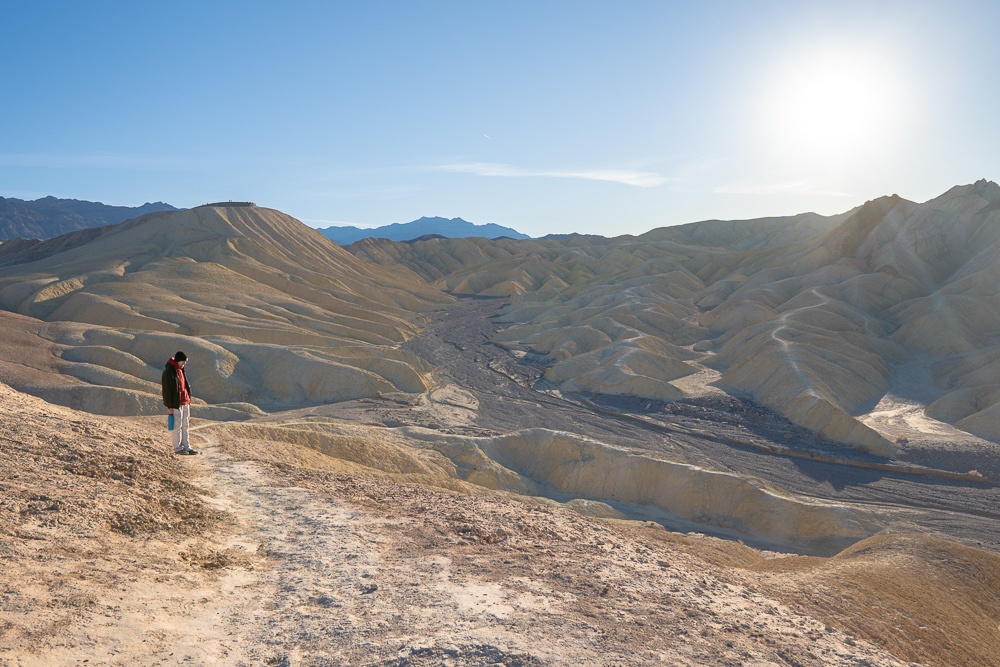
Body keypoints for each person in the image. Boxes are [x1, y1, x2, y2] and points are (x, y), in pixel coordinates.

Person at [161, 351, 198, 455]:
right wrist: (169, 406)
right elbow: (166, 391)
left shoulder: (181, 370)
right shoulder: (169, 372)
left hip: (185, 402)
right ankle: (177, 448)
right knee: (177, 426)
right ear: (178, 360)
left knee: (185, 425)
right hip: (176, 403)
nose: (184, 364)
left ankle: (186, 446)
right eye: (183, 361)